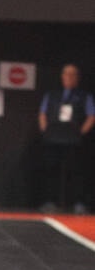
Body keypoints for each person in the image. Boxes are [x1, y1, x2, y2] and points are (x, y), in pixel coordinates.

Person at [36, 63, 95, 213]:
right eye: (66, 74)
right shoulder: (52, 95)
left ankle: (78, 203)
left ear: (77, 78)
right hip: (53, 137)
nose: (69, 77)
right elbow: (42, 113)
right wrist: (45, 130)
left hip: (74, 139)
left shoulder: (84, 96)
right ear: (61, 77)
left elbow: (91, 116)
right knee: (51, 170)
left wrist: (81, 132)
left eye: (72, 74)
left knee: (76, 171)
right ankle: (50, 201)